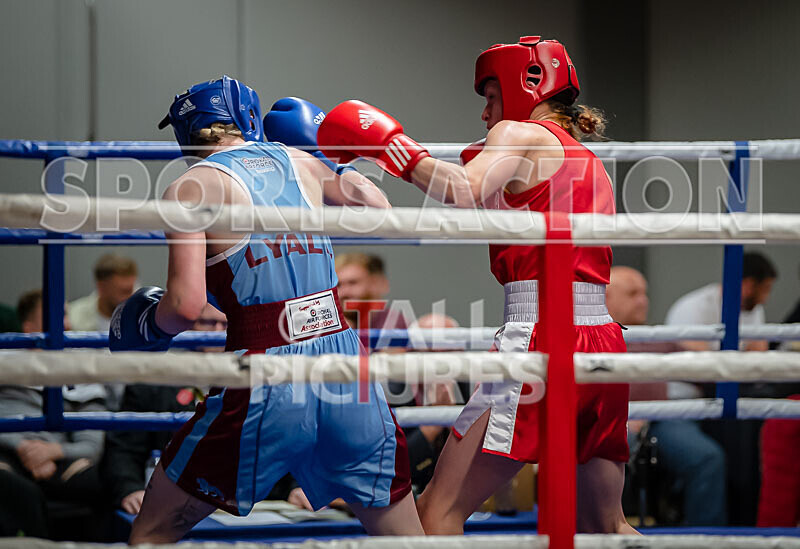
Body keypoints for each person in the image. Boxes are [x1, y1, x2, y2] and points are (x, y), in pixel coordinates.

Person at [317, 36, 635, 534]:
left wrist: (389, 147)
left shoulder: (519, 133)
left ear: (522, 87)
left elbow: (464, 189)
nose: (486, 115)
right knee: (605, 526)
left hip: (540, 340)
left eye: (489, 98)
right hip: (601, 342)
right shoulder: (586, 160)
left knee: (436, 513)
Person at [109, 83, 423, 543]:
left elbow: (185, 307)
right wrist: (322, 154)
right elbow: (380, 208)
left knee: (150, 533)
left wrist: (142, 324)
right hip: (346, 371)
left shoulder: (188, 187)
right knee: (407, 538)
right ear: (248, 117)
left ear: (186, 134)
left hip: (266, 371)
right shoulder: (300, 161)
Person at [606, 266, 727, 526]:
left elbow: (702, 368)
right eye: (632, 294)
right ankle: (607, 532)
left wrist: (726, 356)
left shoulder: (657, 336)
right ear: (606, 298)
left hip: (662, 420)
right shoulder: (591, 337)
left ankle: (703, 541)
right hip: (612, 422)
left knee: (707, 457)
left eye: (644, 293)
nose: (643, 300)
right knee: (604, 457)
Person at [0, 290, 106, 538]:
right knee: (18, 490)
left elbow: (93, 442)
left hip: (61, 460)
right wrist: (22, 447)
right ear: (29, 328)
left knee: (99, 483)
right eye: (55, 316)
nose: (66, 324)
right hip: (7, 455)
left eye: (66, 315)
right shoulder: (5, 361)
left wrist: (53, 451)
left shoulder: (83, 368)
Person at [665, 251, 777, 352]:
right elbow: (692, 357)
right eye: (765, 290)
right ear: (748, 285)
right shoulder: (693, 307)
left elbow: (758, 351)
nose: (764, 300)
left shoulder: (754, 308)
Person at [68, 253, 138, 332]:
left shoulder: (144, 316)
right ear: (102, 287)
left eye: (131, 289)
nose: (130, 297)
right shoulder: (73, 318)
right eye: (124, 291)